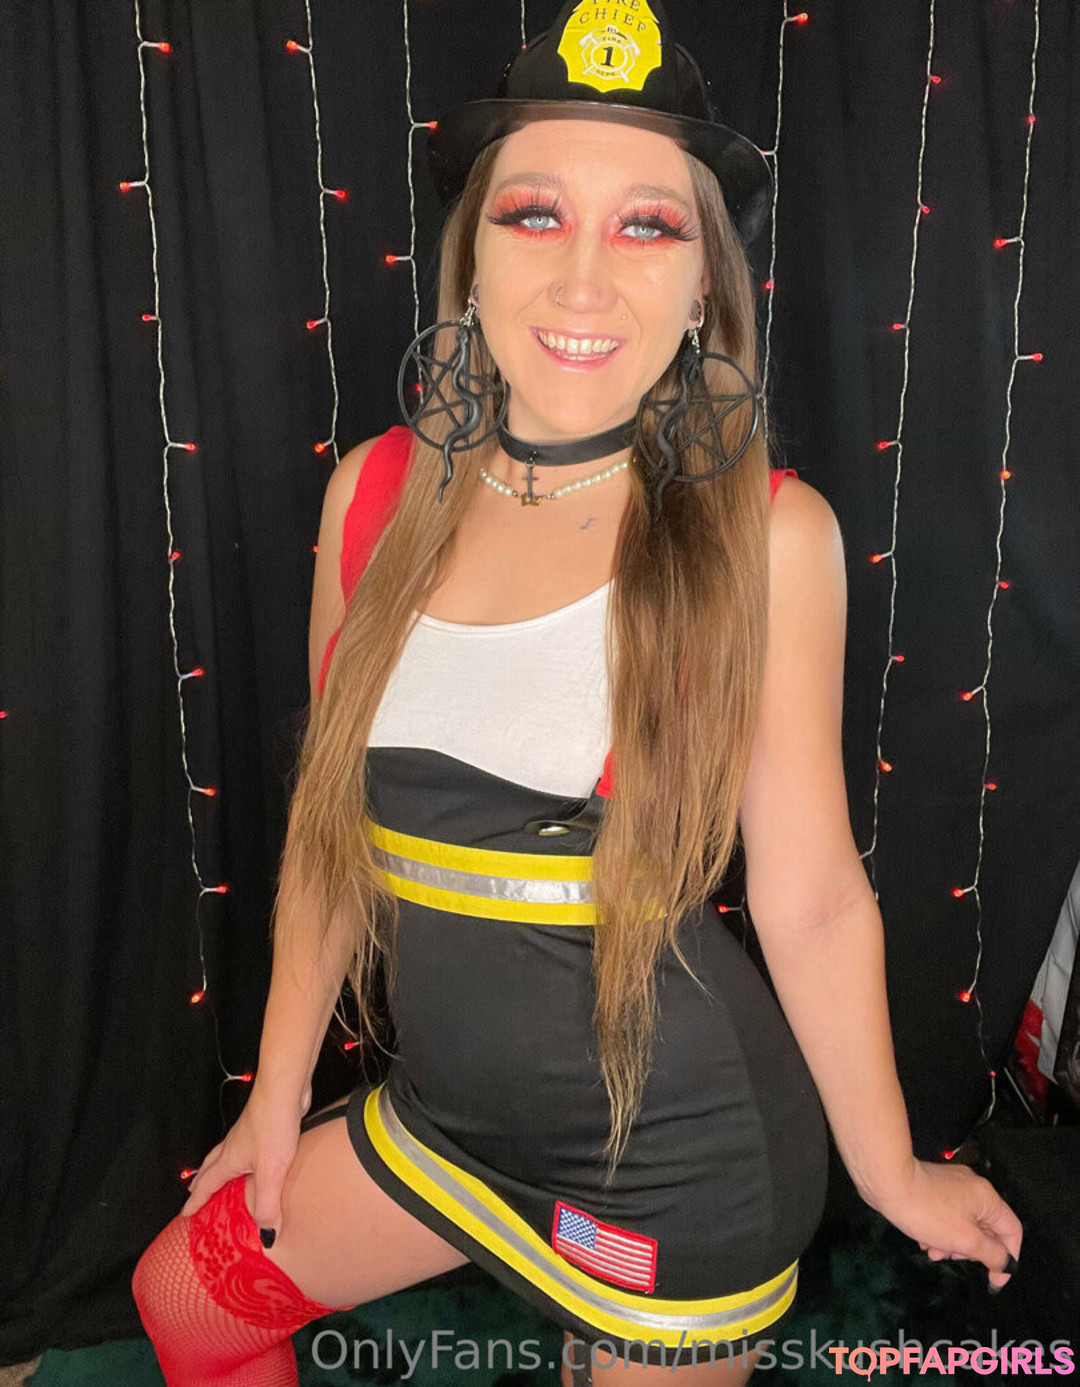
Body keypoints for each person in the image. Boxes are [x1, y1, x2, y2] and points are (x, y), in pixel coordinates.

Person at [131, 2, 1023, 1383]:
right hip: (442, 1122)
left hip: (677, 1163)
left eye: (648, 226)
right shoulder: (371, 495)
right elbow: (327, 838)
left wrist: (892, 1168)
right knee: (186, 1304)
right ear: (472, 255)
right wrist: (276, 1098)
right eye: (536, 214)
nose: (586, 279)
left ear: (705, 283)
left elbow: (811, 897)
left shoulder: (767, 536)